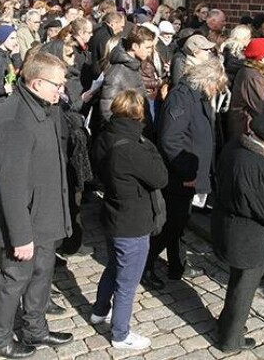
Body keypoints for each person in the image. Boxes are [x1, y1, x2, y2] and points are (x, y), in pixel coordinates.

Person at [0, 52, 73, 358]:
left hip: (45, 215)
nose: (61, 91)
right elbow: (10, 186)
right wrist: (20, 236)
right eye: (57, 85)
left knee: (42, 275)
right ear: (36, 83)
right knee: (14, 280)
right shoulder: (15, 120)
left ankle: (35, 329)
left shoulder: (43, 108)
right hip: (25, 222)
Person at [90, 90, 168, 350]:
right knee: (127, 282)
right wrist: (152, 148)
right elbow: (160, 177)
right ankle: (120, 334)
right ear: (139, 114)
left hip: (113, 214)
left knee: (114, 266)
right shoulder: (133, 147)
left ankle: (100, 311)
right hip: (132, 222)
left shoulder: (105, 136)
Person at [213, 113, 264, 354]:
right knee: (243, 288)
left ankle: (228, 323)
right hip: (248, 239)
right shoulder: (259, 164)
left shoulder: (235, 146)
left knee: (238, 283)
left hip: (230, 228)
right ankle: (231, 339)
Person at [143, 59, 227, 288]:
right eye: (216, 87)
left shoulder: (195, 96)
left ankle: (177, 265)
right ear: (206, 81)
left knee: (180, 222)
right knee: (170, 223)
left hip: (189, 173)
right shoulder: (182, 97)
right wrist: (188, 172)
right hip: (179, 175)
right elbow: (171, 140)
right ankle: (145, 265)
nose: (215, 92)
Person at [228, 38, 264, 137]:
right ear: (261, 56)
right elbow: (262, 104)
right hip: (247, 128)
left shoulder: (253, 72)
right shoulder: (253, 76)